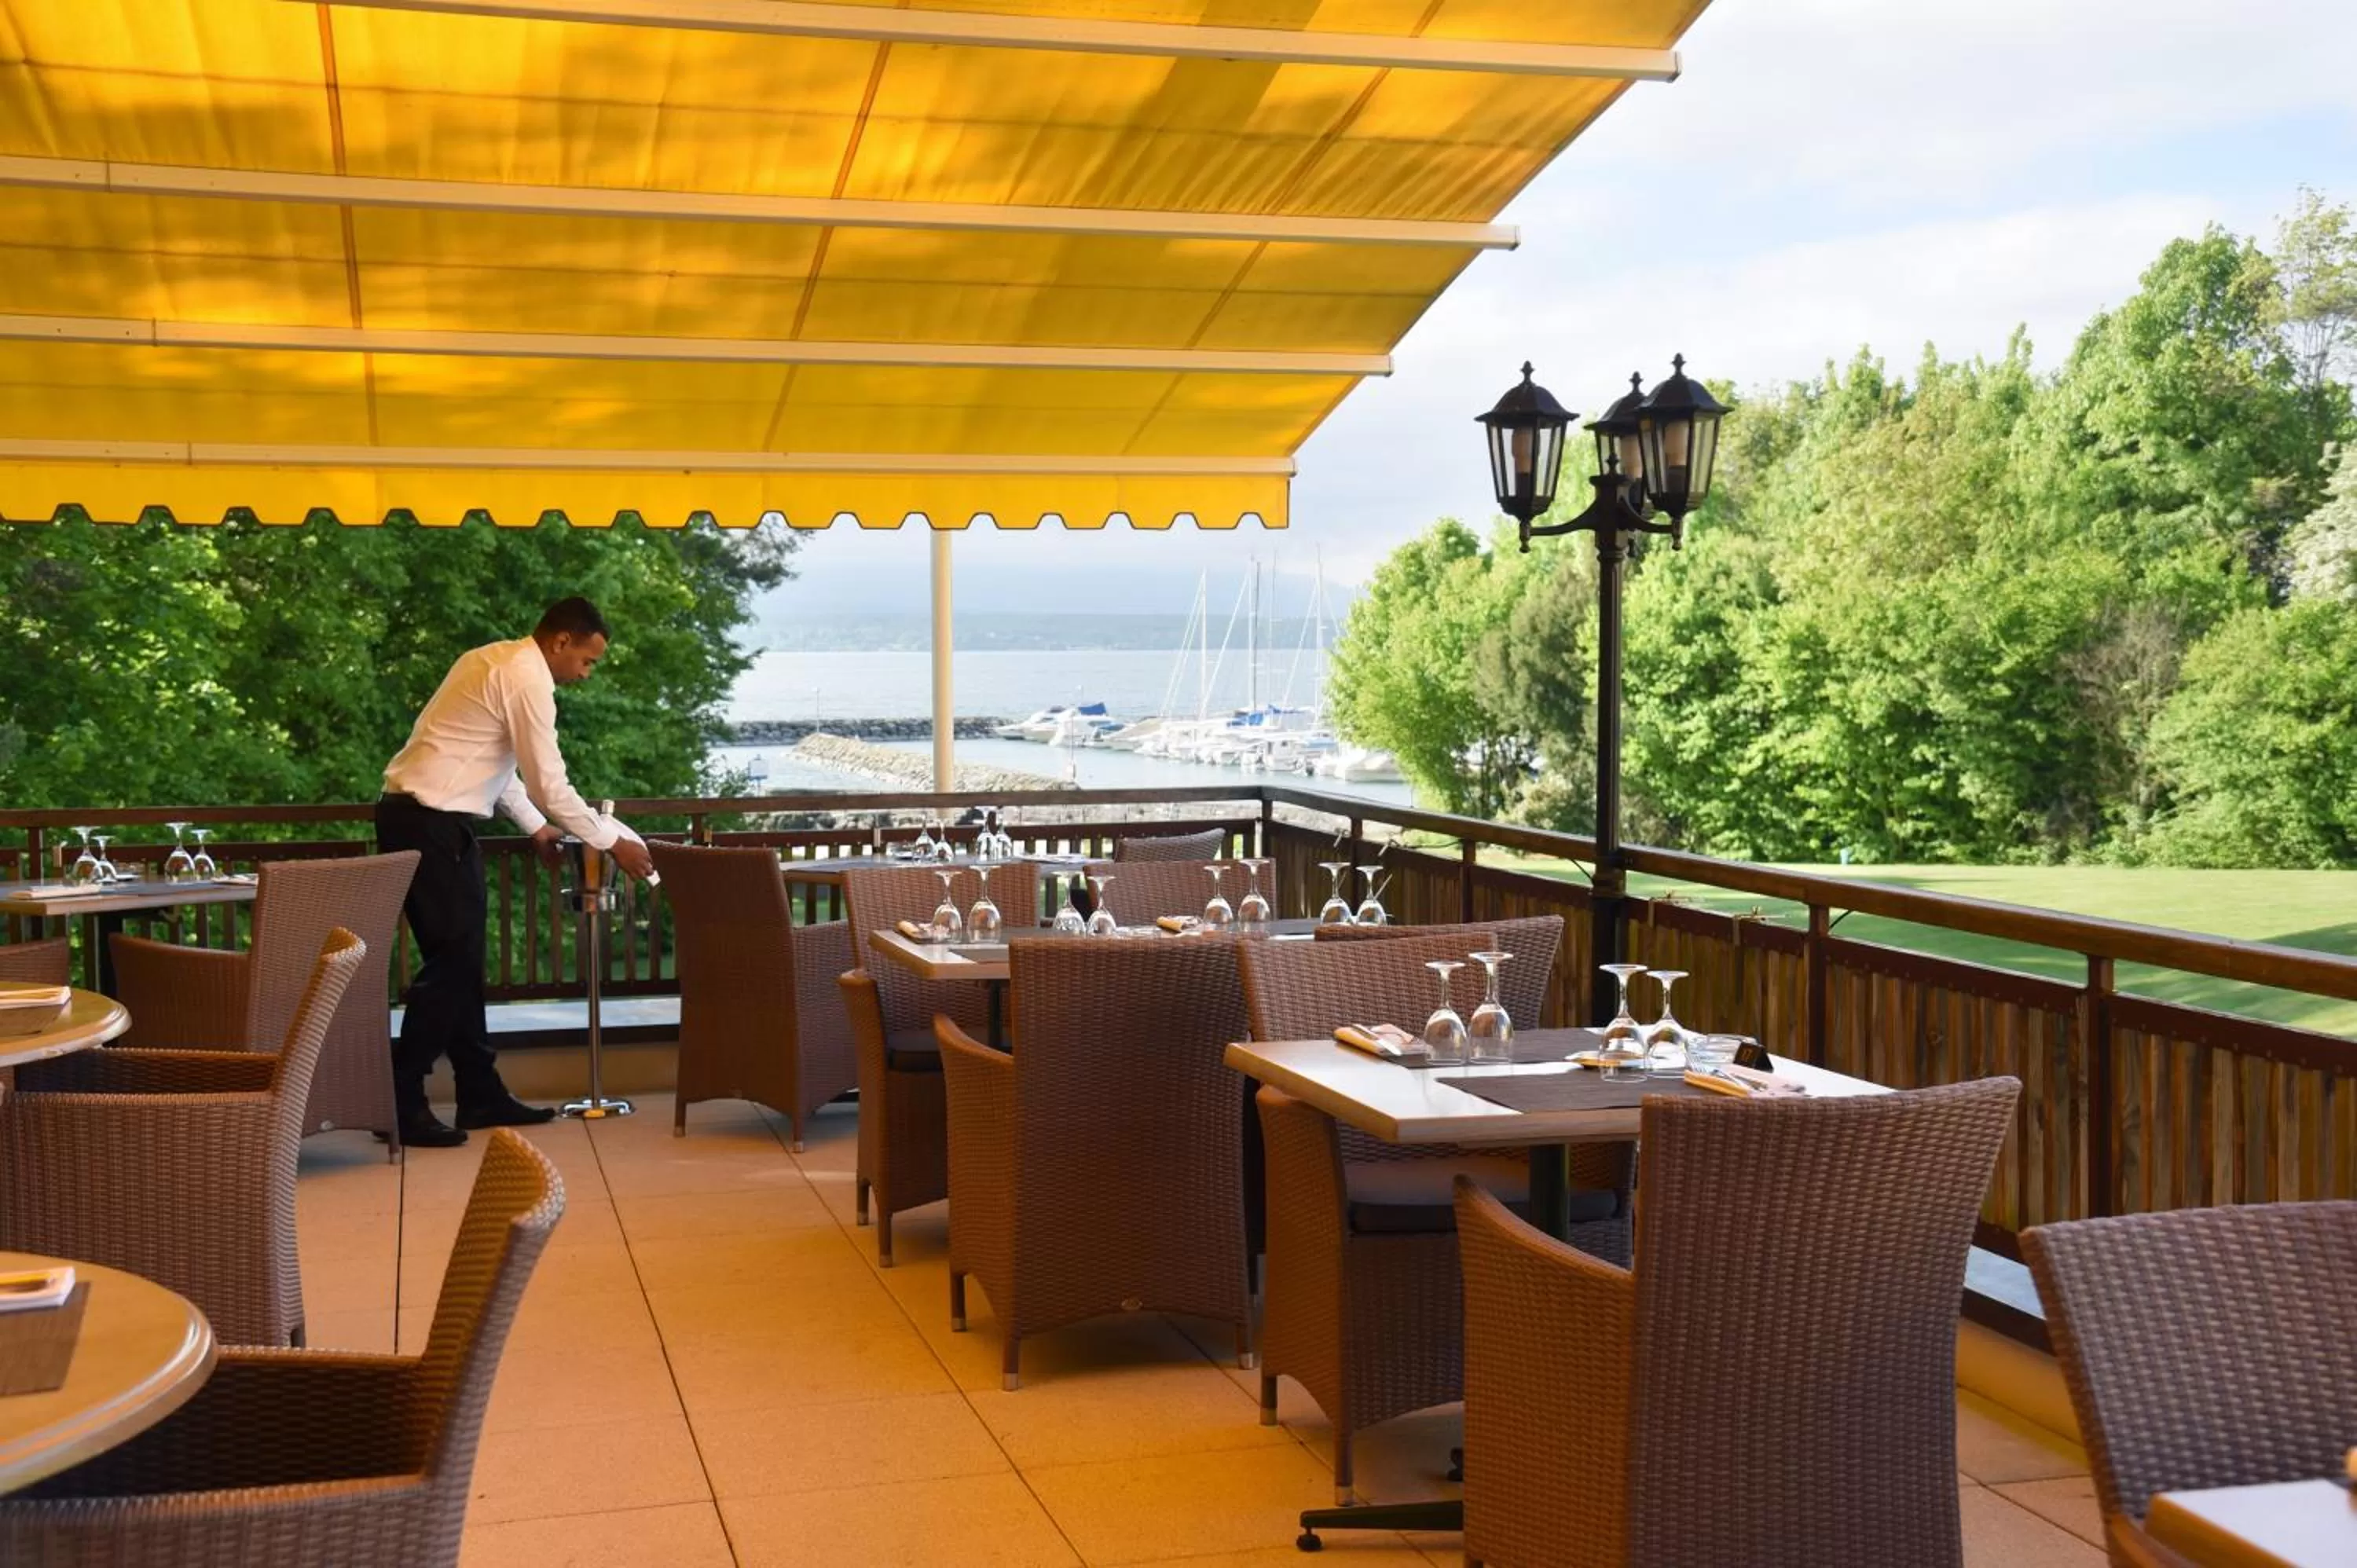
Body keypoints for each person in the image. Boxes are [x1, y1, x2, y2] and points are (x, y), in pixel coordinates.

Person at [376, 597, 656, 1147]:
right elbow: (551, 783)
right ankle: (401, 1099)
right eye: (587, 660)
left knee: (460, 963)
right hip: (433, 824)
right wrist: (613, 840)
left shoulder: (488, 660)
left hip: (426, 821)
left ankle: (480, 1093)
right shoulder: (527, 681)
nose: (586, 673)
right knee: (452, 967)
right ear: (561, 642)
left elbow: (492, 762)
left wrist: (533, 827)